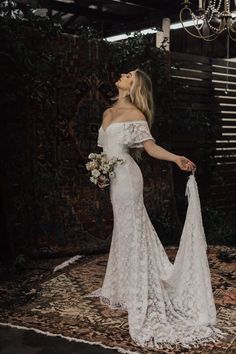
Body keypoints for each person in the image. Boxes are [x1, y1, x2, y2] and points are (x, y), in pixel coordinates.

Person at [85, 68, 225, 350]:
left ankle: (141, 287)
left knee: (132, 229)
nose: (122, 74)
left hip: (127, 178)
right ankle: (125, 284)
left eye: (128, 75)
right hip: (113, 179)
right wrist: (100, 171)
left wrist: (176, 159)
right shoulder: (108, 112)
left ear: (134, 85)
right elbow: (104, 151)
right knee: (124, 230)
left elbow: (150, 148)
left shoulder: (136, 114)